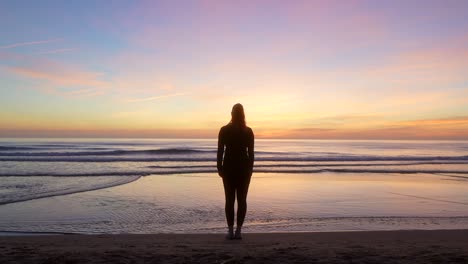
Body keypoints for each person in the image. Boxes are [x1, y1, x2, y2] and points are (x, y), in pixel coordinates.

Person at [217, 103, 254, 240]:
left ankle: (230, 231)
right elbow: (251, 153)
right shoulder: (248, 131)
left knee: (229, 200)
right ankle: (238, 231)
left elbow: (220, 151)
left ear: (231, 114)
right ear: (243, 114)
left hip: (228, 168)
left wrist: (219, 168)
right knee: (242, 200)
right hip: (244, 169)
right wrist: (250, 169)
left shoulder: (224, 130)